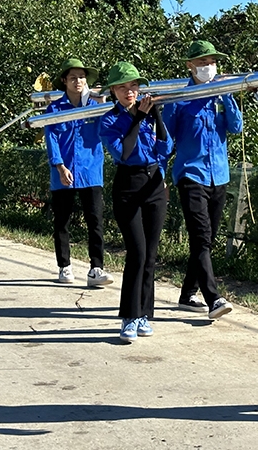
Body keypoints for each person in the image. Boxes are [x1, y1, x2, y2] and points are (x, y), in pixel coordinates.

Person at [163, 40, 241, 320]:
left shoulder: (219, 97)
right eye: (202, 62)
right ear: (190, 65)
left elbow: (236, 127)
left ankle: (187, 294)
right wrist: (160, 173)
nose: (208, 67)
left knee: (207, 239)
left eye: (212, 62)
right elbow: (166, 139)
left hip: (218, 175)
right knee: (201, 237)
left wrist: (227, 95)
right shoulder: (178, 99)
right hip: (190, 175)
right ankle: (214, 297)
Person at [100, 62, 172, 343]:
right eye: (122, 87)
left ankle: (145, 314)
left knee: (151, 255)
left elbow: (165, 148)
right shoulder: (109, 120)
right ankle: (129, 316)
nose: (129, 92)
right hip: (128, 185)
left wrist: (157, 117)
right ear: (113, 91)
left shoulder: (149, 115)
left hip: (154, 181)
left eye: (133, 86)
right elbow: (124, 153)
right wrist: (138, 119)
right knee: (137, 253)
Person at [44, 58, 115, 288]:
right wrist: (59, 165)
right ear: (65, 81)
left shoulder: (95, 107)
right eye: (73, 77)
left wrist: (103, 102)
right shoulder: (54, 109)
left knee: (95, 220)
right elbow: (51, 137)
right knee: (62, 221)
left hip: (90, 171)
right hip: (63, 171)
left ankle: (96, 268)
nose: (78, 81)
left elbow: (109, 127)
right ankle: (64, 265)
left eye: (81, 77)